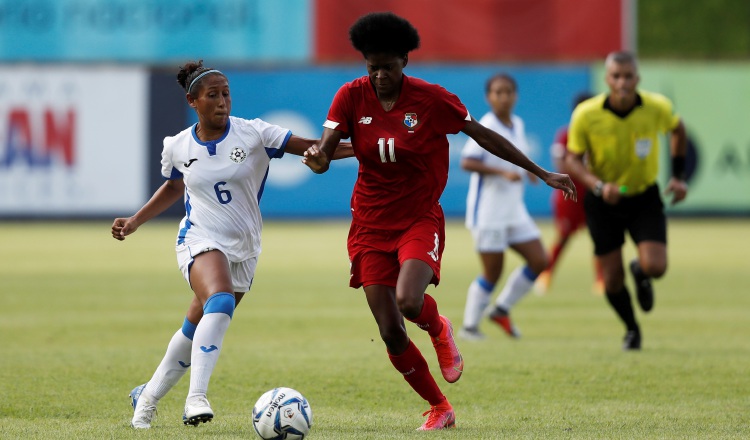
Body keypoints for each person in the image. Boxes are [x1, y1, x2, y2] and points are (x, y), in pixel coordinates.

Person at [302, 12, 576, 431]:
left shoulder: (431, 99)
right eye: (372, 67)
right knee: (390, 329)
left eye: (387, 67)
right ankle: (439, 407)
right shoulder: (350, 97)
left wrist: (540, 172)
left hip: (418, 218)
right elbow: (325, 152)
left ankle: (439, 326)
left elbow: (483, 136)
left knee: (409, 301)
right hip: (370, 226)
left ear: (404, 62)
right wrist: (318, 160)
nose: (379, 76)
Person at [112, 60, 352, 429]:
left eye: (226, 93)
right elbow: (175, 186)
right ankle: (196, 398)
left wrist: (367, 150)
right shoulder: (177, 146)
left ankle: (146, 397)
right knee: (220, 300)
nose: (223, 101)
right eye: (213, 95)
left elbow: (315, 147)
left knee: (196, 326)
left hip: (245, 246)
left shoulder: (254, 133)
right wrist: (135, 221)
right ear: (194, 101)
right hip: (199, 237)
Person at [564, 51, 688, 351]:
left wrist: (679, 176)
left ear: (637, 78)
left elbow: (677, 130)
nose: (622, 82)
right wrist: (597, 185)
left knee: (656, 266)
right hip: (603, 201)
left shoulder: (657, 106)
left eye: (628, 76)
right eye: (616, 76)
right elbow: (572, 159)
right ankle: (632, 329)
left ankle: (641, 272)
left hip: (643, 196)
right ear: (607, 79)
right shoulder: (586, 113)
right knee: (612, 279)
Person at [458, 73, 548, 341]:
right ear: (489, 97)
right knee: (492, 272)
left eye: (508, 91)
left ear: (516, 95)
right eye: (498, 92)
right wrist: (500, 172)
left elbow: (516, 154)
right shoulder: (485, 124)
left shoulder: (516, 123)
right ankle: (469, 327)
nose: (504, 97)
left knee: (539, 260)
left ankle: (501, 309)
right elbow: (467, 162)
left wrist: (530, 170)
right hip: (489, 213)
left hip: (513, 210)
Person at [534, 92, 605, 296]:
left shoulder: (601, 135)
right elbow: (561, 163)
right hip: (571, 194)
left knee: (600, 237)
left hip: (593, 194)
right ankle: (546, 275)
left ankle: (601, 280)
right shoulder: (566, 134)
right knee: (564, 236)